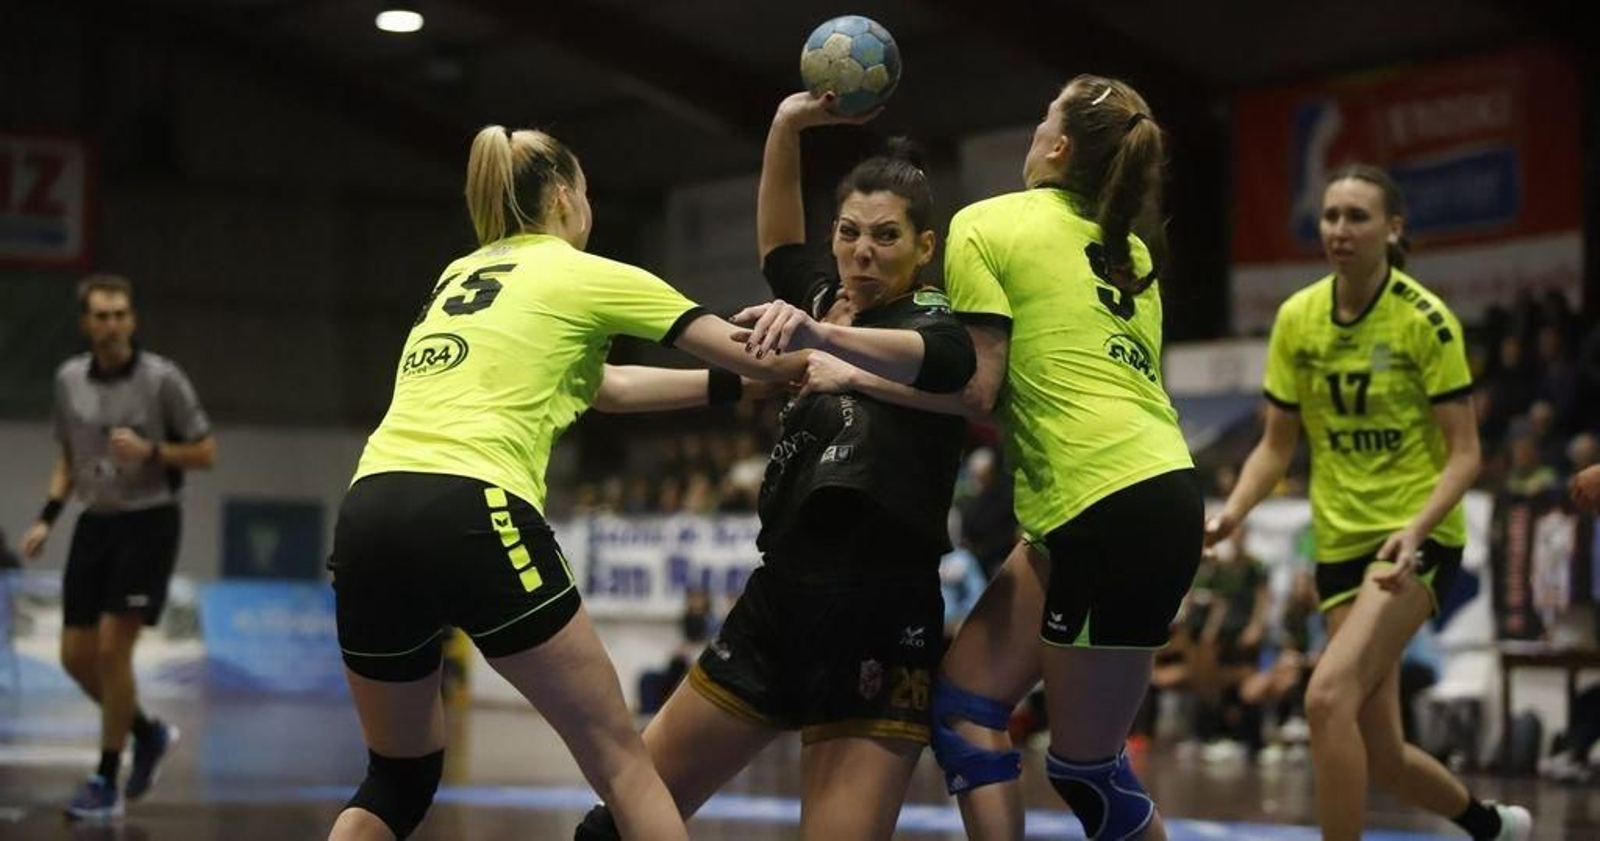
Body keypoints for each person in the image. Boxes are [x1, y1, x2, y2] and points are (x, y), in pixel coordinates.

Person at [328, 123, 944, 841]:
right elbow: (756, 354)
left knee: (397, 778)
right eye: (584, 192)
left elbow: (605, 387)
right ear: (564, 196)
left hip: (368, 508)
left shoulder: (458, 275)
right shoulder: (585, 272)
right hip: (472, 506)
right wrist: (811, 345)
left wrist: (734, 390)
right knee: (623, 766)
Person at [789, 75, 1205, 841]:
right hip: (1152, 489)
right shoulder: (1130, 251)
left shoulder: (988, 223)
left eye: (1043, 111)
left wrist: (850, 369)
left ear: (1058, 145)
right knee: (967, 705)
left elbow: (978, 389)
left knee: (1085, 768)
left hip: (1100, 504)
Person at [576, 91, 975, 841]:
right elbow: (778, 250)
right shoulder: (827, 299)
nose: (863, 251)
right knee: (615, 825)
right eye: (851, 233)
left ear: (924, 247)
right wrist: (786, 127)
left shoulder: (931, 320)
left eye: (887, 236)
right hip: (779, 603)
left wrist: (831, 348)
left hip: (879, 615)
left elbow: (951, 367)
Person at [1207, 164, 1531, 841]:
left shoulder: (1425, 320)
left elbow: (1467, 452)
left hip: (1413, 541)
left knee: (1325, 697)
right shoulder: (1297, 319)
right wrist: (1235, 508)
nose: (1340, 229)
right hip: (1339, 546)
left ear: (1393, 227)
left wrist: (1415, 529)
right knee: (1378, 749)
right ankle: (1493, 825)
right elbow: (1275, 446)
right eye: (1329, 215)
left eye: (1357, 215)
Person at [18, 273, 216, 821]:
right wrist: (47, 518)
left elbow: (204, 451)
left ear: (132, 320)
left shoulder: (162, 380)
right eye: (100, 316)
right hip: (95, 521)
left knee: (112, 648)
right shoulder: (68, 381)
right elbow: (68, 458)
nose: (111, 325)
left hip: (149, 521)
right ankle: (148, 732)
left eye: (120, 314)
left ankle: (106, 778)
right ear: (85, 323)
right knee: (74, 657)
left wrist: (153, 450)